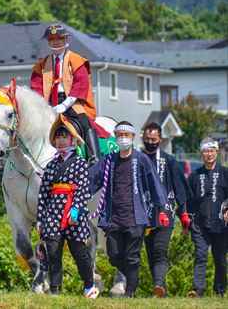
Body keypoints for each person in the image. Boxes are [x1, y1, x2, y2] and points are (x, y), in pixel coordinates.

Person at [89, 121, 169, 298]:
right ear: (115, 138)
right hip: (113, 217)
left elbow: (155, 184)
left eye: (127, 135)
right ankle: (135, 278)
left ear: (133, 137)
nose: (123, 139)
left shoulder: (142, 160)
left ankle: (130, 291)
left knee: (132, 257)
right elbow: (92, 180)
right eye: (120, 135)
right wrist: (77, 198)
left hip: (136, 217)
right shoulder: (109, 160)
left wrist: (162, 208)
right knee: (114, 255)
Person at [36, 114, 99, 298]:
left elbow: (83, 189)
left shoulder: (80, 163)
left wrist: (76, 209)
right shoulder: (51, 165)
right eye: (58, 137)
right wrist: (40, 218)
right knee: (53, 252)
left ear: (72, 139)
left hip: (74, 213)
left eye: (64, 137)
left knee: (80, 253)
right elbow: (44, 194)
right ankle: (55, 289)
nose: (61, 140)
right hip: (53, 212)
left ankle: (89, 285)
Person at [30, 23, 110, 162]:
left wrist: (65, 105)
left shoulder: (77, 60)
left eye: (59, 38)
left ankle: (94, 158)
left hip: (72, 102)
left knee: (85, 123)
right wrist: (45, 105)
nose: (55, 42)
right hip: (48, 104)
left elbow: (81, 84)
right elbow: (36, 87)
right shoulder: (42, 64)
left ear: (66, 40)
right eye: (51, 39)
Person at [141, 122, 192, 297]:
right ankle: (161, 290)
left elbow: (180, 188)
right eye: (147, 139)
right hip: (145, 214)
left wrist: (184, 213)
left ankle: (158, 285)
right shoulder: (138, 159)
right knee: (150, 255)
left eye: (153, 139)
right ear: (142, 138)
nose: (150, 142)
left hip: (166, 212)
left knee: (160, 251)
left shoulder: (168, 160)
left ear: (160, 139)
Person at [187, 137, 228, 298]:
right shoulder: (195, 175)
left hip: (221, 223)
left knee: (220, 259)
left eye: (212, 151)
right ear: (201, 154)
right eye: (206, 151)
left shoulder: (225, 172)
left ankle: (220, 291)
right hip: (199, 223)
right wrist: (186, 222)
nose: (209, 154)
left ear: (216, 152)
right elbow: (187, 199)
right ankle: (198, 290)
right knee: (200, 255)